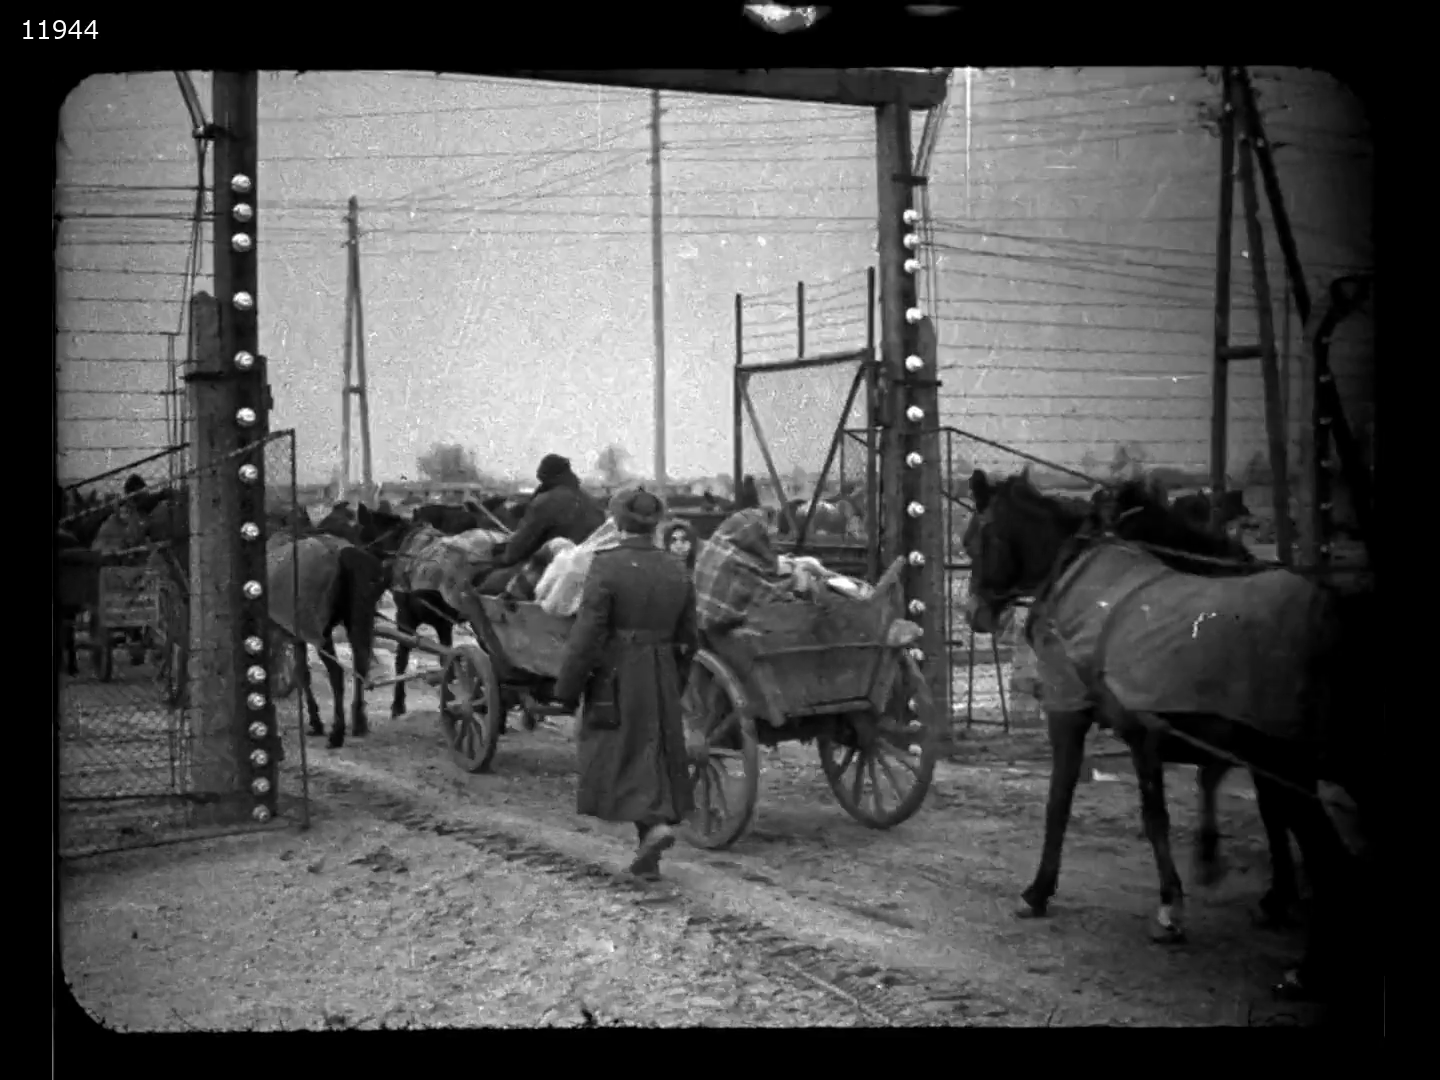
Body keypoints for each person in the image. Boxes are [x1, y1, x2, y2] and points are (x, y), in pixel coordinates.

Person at [551, 488, 697, 879]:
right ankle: (652, 834)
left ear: (617, 521)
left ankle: (653, 827)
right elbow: (690, 637)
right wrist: (675, 679)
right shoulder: (676, 568)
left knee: (621, 750)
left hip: (618, 672)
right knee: (656, 750)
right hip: (662, 669)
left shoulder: (606, 565)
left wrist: (567, 689)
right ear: (656, 524)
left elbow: (587, 634)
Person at [477, 453, 605, 595]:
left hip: (552, 569)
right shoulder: (592, 502)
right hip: (589, 570)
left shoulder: (544, 501)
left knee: (485, 585)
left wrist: (501, 559)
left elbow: (520, 545)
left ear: (544, 476)